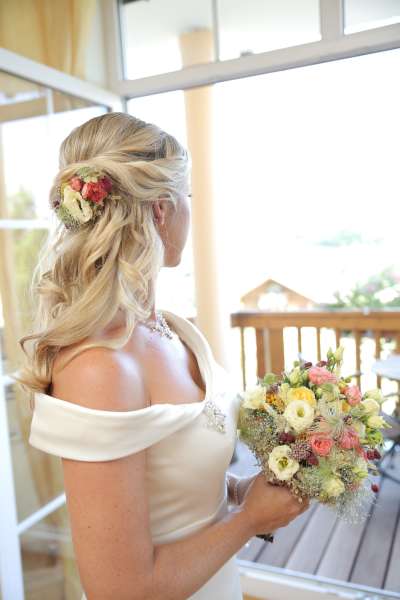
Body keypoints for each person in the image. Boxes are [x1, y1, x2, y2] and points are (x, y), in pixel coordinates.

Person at [15, 112, 309, 599]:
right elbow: (120, 590)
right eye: (187, 195)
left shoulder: (173, 330)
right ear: (160, 212)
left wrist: (240, 491)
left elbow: (165, 474)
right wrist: (249, 520)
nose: (191, 209)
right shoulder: (101, 367)